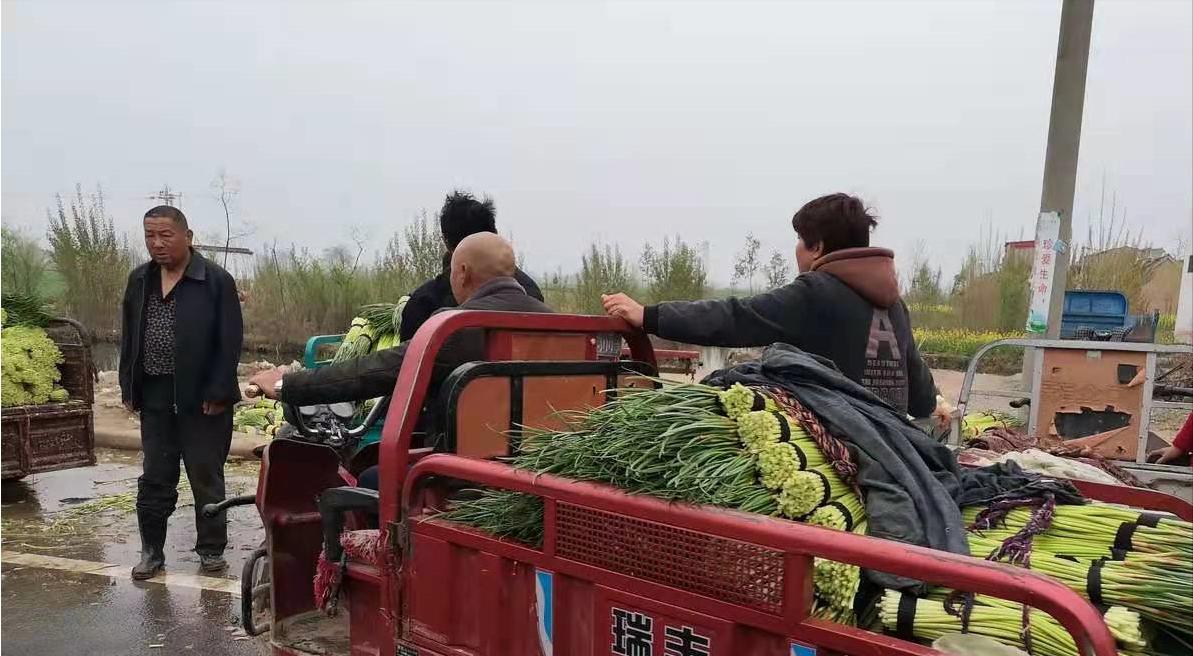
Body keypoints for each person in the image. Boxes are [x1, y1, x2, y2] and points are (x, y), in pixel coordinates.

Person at [603, 193, 950, 424]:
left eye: (800, 240)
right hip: (892, 452)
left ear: (818, 248)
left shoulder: (816, 292)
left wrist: (649, 316)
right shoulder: (895, 306)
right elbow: (920, 398)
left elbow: (737, 318)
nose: (796, 249)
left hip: (834, 458)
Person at [247, 233, 553, 490]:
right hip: (538, 471)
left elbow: (375, 370)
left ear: (461, 272)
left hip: (467, 480)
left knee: (368, 481)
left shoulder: (458, 327)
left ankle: (363, 558)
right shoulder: (555, 323)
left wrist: (284, 384)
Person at [119, 206, 243, 580]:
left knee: (206, 477)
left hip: (203, 398)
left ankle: (210, 552)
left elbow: (230, 340)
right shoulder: (139, 280)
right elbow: (130, 337)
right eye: (150, 236)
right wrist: (129, 385)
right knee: (155, 477)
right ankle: (152, 552)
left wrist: (220, 390)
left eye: (165, 235)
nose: (157, 244)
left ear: (187, 236)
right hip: (155, 395)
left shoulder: (215, 280)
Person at [398, 191, 544, 342]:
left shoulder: (426, 304)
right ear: (494, 234)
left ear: (447, 242)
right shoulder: (532, 295)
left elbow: (405, 360)